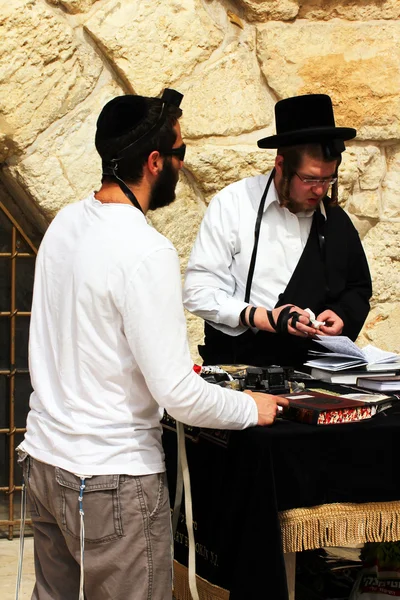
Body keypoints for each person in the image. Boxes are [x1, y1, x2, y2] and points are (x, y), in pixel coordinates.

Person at [17, 89, 288, 600]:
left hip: (47, 463)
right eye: (181, 153)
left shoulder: (63, 224)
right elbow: (178, 395)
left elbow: (82, 338)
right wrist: (252, 408)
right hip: (108, 478)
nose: (184, 167)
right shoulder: (147, 249)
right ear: (155, 161)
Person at [183, 94, 372, 368]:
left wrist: (341, 314)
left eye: (327, 179)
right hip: (242, 371)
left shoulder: (335, 221)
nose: (319, 190)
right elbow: (198, 292)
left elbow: (358, 288)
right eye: (309, 179)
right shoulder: (235, 204)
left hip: (312, 375)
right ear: (281, 165)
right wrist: (263, 317)